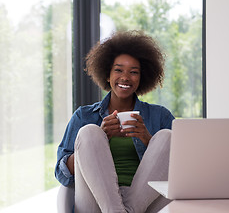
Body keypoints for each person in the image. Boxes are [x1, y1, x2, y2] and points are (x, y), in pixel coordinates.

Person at [55, 30, 175, 213]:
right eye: (118, 70)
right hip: (94, 200)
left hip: (144, 202)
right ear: (107, 74)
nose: (125, 77)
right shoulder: (83, 116)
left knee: (166, 136)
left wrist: (148, 141)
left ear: (142, 77)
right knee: (90, 132)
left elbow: (182, 172)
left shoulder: (160, 116)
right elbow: (61, 173)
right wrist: (97, 140)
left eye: (133, 72)